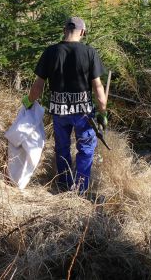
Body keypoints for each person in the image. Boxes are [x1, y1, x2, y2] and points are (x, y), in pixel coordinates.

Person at [26, 16, 108, 193]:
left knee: (62, 148)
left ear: (64, 31)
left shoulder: (50, 52)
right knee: (85, 150)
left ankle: (63, 184)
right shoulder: (89, 53)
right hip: (84, 114)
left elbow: (38, 86)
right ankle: (80, 188)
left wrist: (28, 102)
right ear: (83, 32)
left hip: (59, 113)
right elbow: (98, 88)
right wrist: (103, 112)